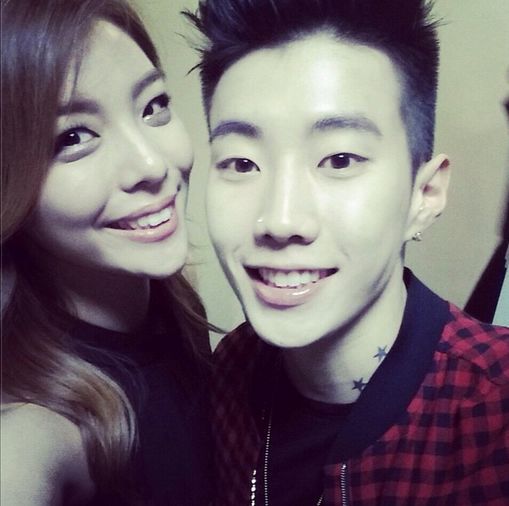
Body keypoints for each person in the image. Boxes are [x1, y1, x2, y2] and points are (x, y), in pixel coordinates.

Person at [185, 0, 509, 504]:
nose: (281, 220)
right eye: (242, 163)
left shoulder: (494, 410)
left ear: (424, 195)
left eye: (339, 159)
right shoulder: (230, 369)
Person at [1, 1, 213, 504]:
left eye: (153, 105)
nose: (151, 164)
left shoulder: (174, 303)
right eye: (74, 136)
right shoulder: (33, 431)